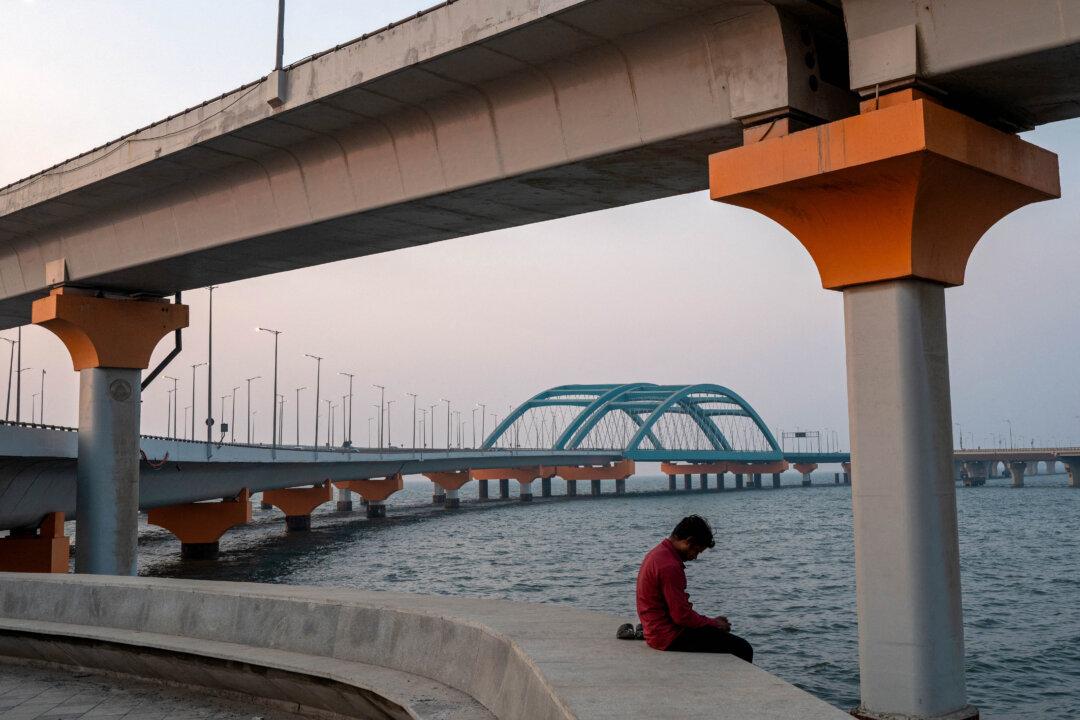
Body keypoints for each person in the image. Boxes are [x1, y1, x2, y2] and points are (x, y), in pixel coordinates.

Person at [635, 514, 753, 662]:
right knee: (743, 648)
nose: (695, 557)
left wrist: (711, 623)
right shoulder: (669, 566)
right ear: (689, 541)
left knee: (719, 635)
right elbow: (681, 616)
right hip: (667, 636)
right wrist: (714, 623)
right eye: (696, 551)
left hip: (655, 630)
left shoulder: (658, 554)